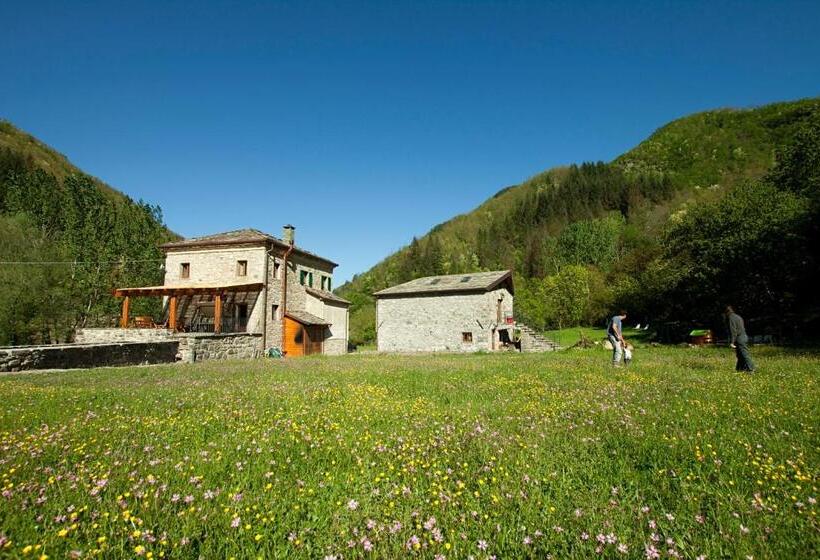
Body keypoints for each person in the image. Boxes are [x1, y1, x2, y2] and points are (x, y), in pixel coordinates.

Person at [725, 306, 756, 372]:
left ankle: (751, 369)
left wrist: (732, 342)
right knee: (740, 355)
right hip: (744, 336)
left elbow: (733, 331)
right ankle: (739, 369)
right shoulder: (738, 317)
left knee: (744, 354)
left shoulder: (731, 318)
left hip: (739, 338)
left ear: (727, 312)